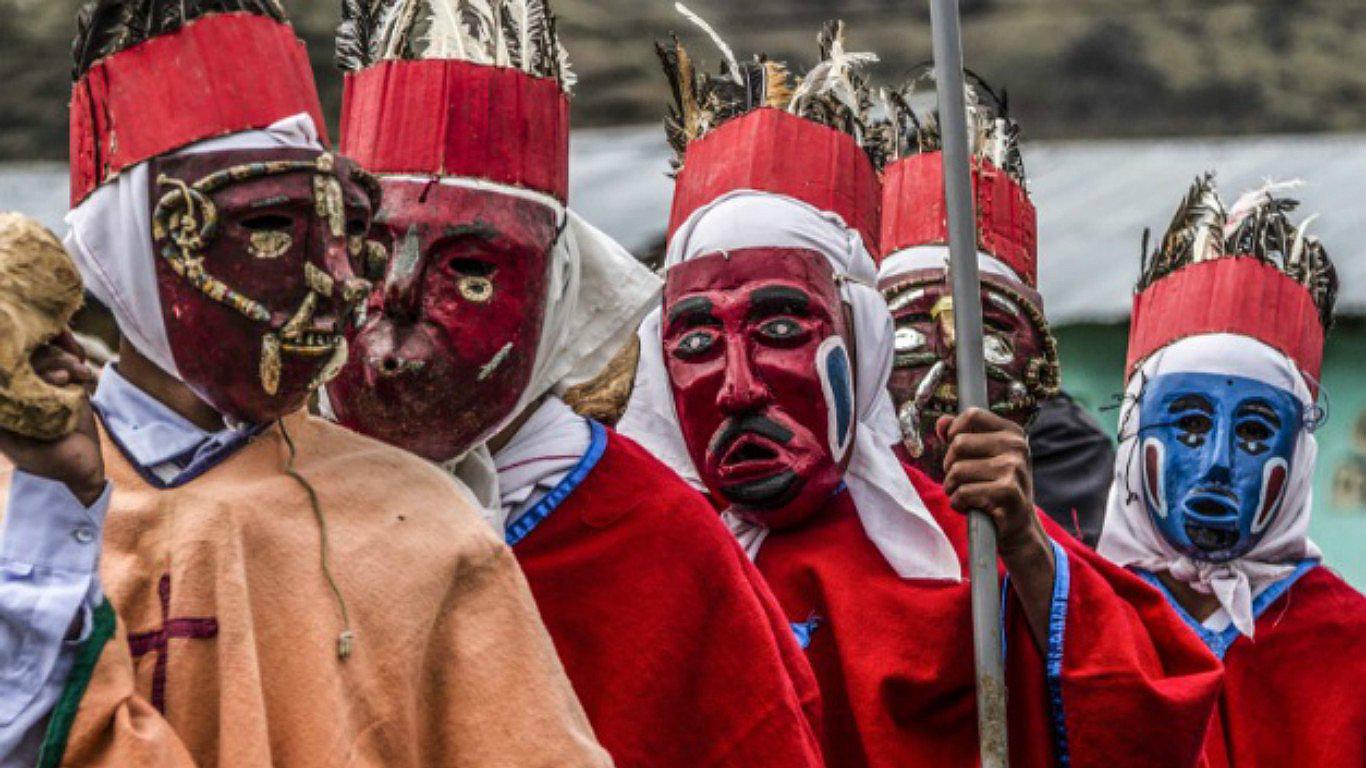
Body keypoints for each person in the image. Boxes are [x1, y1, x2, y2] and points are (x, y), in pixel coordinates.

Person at [0, 3, 608, 766]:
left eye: (343, 234)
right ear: (127, 242)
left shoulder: (420, 527)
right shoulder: (13, 501)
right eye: (272, 231)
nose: (339, 281)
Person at [620, 15, 1223, 767]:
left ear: (858, 342)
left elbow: (1146, 726)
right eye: (700, 344)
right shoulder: (626, 559)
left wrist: (1027, 549)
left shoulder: (962, 547)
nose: (739, 389)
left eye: (781, 330)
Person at [324, 3, 823, 765]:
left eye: (471, 271)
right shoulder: (268, 497)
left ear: (556, 289)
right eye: (368, 254)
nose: (397, 301)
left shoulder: (656, 542)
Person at [1099, 175, 1366, 767]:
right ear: (1133, 436)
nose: (1218, 462)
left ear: (1297, 460)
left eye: (1252, 432)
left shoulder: (1350, 643)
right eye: (1189, 424)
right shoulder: (1075, 619)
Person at [876, 72, 1111, 546]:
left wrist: (1024, 537)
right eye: (911, 328)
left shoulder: (1066, 450)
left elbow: (1073, 606)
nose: (953, 350)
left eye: (989, 328)